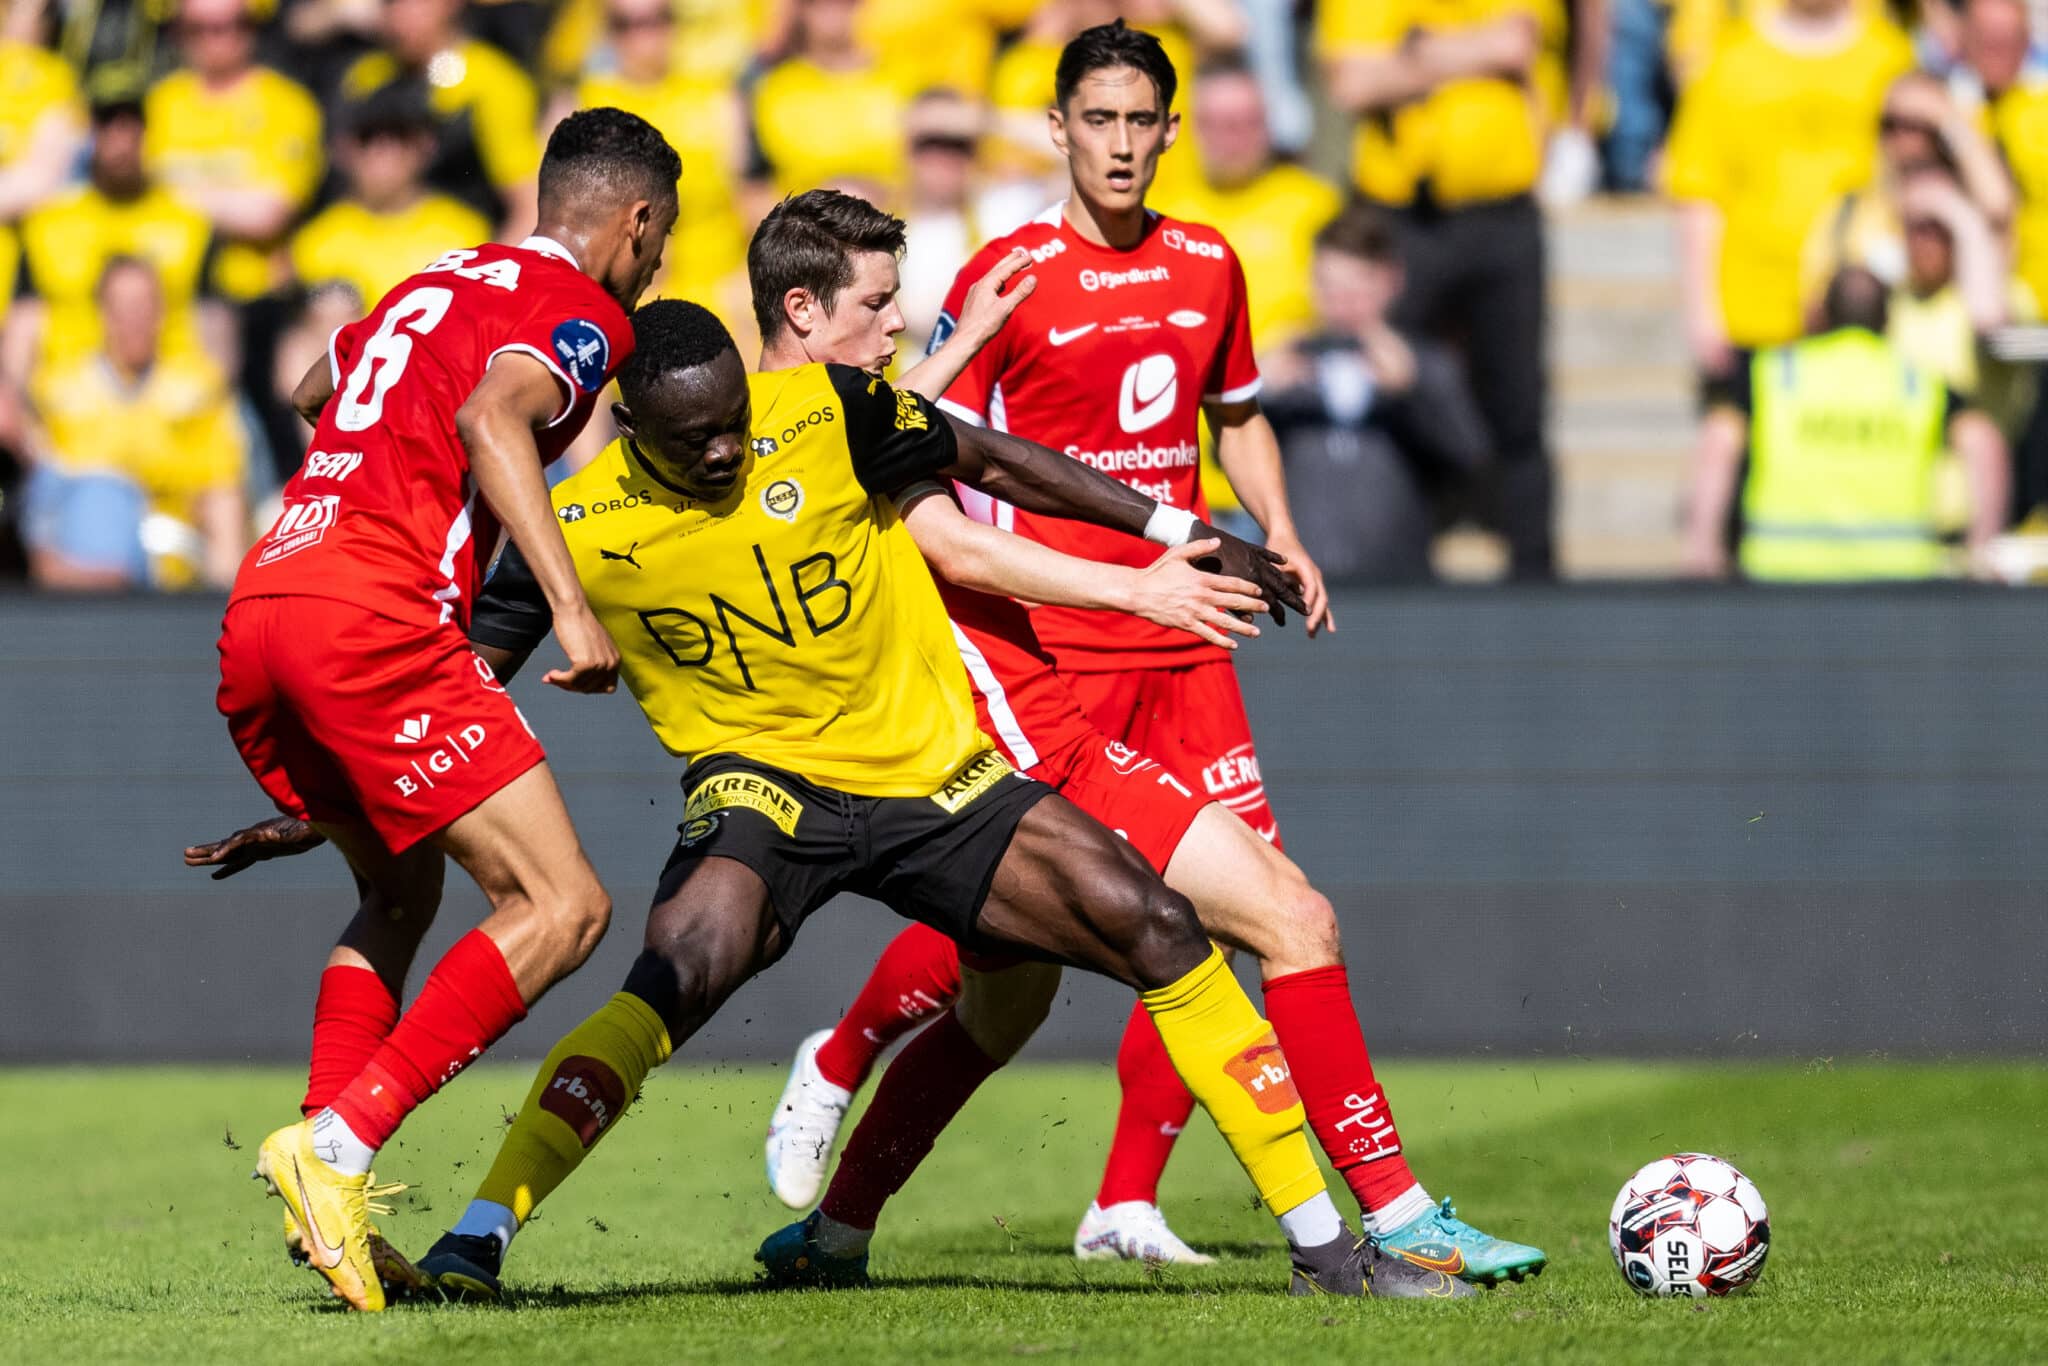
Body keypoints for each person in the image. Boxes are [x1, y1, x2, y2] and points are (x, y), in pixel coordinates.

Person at [379, 270, 1432, 1299]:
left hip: (935, 777)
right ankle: (477, 1236)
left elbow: (994, 457)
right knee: (675, 972)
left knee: (1155, 922)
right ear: (625, 423)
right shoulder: (576, 529)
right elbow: (461, 675)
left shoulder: (825, 406)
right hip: (763, 788)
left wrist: (1176, 531)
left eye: (730, 422)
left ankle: (1326, 1254)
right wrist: (342, 793)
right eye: (688, 437)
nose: (719, 449)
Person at [739, 196, 1534, 1289]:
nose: (894, 326)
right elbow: (955, 543)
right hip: (1016, 743)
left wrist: (1198, 536)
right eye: (878, 306)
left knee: (1002, 1002)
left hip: (1038, 718)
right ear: (801, 308)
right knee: (1288, 917)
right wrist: (1143, 583)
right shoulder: (808, 432)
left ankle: (834, 1235)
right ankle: (1383, 1224)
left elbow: (999, 456)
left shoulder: (829, 417)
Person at [215, 108, 678, 1314]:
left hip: (268, 592)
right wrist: (570, 611)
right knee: (563, 905)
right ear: (633, 221)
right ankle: (337, 1149)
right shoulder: (588, 309)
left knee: (400, 888)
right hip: (371, 612)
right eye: (660, 238)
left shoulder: (434, 278)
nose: (658, 265)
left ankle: (333, 1194)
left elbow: (323, 387)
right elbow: (493, 418)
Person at [921, 19, 1333, 1263]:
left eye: (1135, 122)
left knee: (1238, 904)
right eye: (1091, 121)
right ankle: (836, 1062)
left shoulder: (1210, 260)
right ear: (1056, 129)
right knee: (1004, 930)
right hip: (1056, 638)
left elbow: (1236, 412)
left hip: (1190, 626)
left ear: (1167, 130)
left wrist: (1281, 527)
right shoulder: (1006, 270)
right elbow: (922, 433)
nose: (1115, 144)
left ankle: (1124, 1199)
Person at [1316, 0, 1556, 577]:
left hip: (1503, 214)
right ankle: (1400, 557)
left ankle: (1534, 577)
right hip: (1404, 219)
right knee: (1391, 388)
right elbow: (1351, 82)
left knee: (1518, 404)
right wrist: (1475, 50)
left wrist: (1417, 53)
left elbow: (1518, 43)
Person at [1680, 266, 2009, 581]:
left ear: (1821, 315)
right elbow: (1983, 442)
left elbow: (1719, 439)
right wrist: (1980, 553)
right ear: (1887, 319)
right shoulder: (1917, 382)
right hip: (1897, 579)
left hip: (1783, 574)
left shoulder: (1775, 374)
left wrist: (1703, 550)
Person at [1664, 0, 1911, 390]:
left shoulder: (1890, 54)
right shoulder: (1729, 59)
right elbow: (1699, 193)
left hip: (1865, 314)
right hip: (1753, 312)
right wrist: (1702, 312)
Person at [1261, 205, 1491, 583]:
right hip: (1301, 576)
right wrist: (1254, 399)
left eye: (1356, 289)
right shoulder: (1290, 363)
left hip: (1399, 579)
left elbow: (1469, 459)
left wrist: (1413, 393)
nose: (1342, 304)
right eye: (1329, 287)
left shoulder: (1425, 364)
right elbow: (1231, 460)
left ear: (1391, 282)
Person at [21, 256, 248, 590]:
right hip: (93, 541)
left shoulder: (198, 386)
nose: (135, 319)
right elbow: (51, 484)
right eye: (123, 306)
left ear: (162, 312)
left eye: (145, 305)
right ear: (102, 312)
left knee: (225, 504)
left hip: (175, 536)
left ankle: (226, 617)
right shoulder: (58, 390)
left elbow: (220, 472)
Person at [5, 75, 221, 388]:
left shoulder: (191, 222)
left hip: (174, 399)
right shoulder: (46, 224)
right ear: (90, 134)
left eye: (131, 125)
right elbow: (23, 329)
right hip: (67, 402)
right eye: (108, 125)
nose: (120, 140)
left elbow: (215, 326)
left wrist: (212, 395)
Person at [289, 85, 492, 321]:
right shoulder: (316, 241)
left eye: (398, 136)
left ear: (425, 146)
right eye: (367, 137)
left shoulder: (467, 232)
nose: (382, 150)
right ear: (343, 149)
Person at [338, 0, 541, 235]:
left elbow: (528, 210)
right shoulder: (366, 77)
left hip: (461, 248)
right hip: (366, 248)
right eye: (390, 3)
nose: (400, 14)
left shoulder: (493, 83)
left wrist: (483, 269)